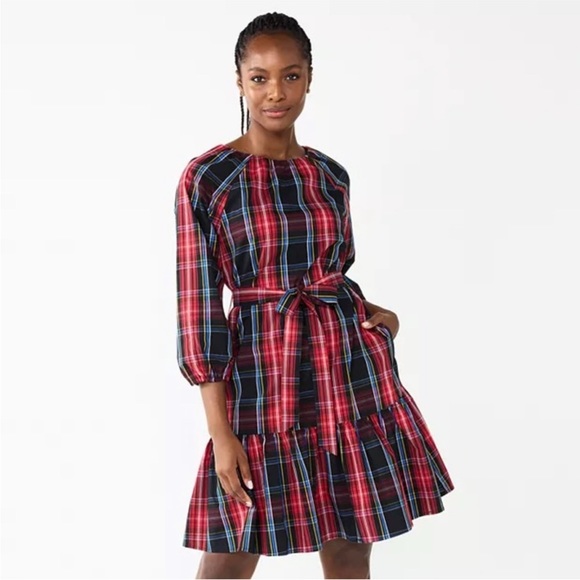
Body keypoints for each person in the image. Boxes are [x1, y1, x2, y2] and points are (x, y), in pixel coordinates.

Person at [174, 11, 455, 580]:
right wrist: (220, 432)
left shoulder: (330, 175)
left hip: (345, 375)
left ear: (309, 78)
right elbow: (198, 310)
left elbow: (331, 272)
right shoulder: (208, 178)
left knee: (351, 547)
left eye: (291, 76)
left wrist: (378, 315)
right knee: (230, 553)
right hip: (262, 381)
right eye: (259, 78)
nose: (276, 93)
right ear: (238, 81)